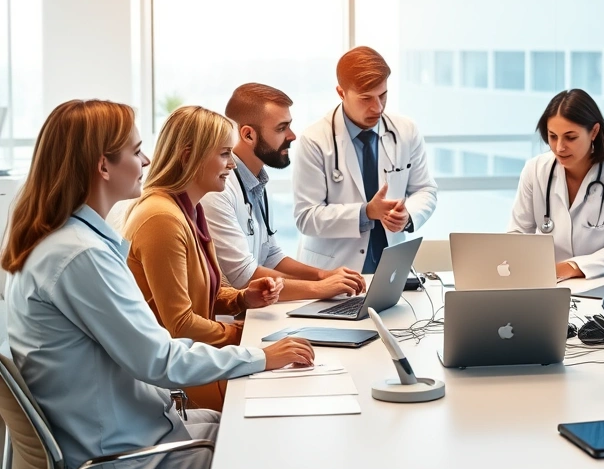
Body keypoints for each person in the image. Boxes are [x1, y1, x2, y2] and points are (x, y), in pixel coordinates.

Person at [2, 99, 314, 469]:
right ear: (103, 166)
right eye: (136, 152)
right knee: (269, 450)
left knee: (248, 425)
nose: (147, 160)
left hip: (135, 429)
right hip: (124, 457)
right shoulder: (81, 256)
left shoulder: (64, 242)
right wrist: (260, 355)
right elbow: (159, 359)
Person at [122, 105, 282, 411]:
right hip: (177, 374)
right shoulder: (161, 218)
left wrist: (242, 299)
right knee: (277, 394)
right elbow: (180, 324)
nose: (232, 164)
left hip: (197, 357)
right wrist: (246, 335)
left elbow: (202, 293)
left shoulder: (190, 210)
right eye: (224, 154)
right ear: (188, 157)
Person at [201, 82, 366, 299]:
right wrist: (320, 289)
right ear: (248, 135)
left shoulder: (256, 181)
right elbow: (243, 276)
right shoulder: (219, 189)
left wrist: (323, 275)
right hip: (233, 314)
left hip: (257, 309)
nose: (292, 135)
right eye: (281, 128)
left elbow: (271, 255)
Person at [293, 46, 437, 273]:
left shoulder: (406, 131)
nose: (377, 107)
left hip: (389, 267)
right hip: (333, 270)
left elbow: (425, 189)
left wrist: (408, 215)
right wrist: (366, 212)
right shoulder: (314, 140)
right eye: (366, 98)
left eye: (383, 95)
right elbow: (307, 217)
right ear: (341, 93)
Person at [509, 89, 604, 279]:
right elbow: (518, 234)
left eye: (570, 137)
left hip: (598, 282)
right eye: (552, 136)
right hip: (546, 281)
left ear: (594, 132)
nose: (559, 147)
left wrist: (569, 268)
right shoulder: (535, 170)